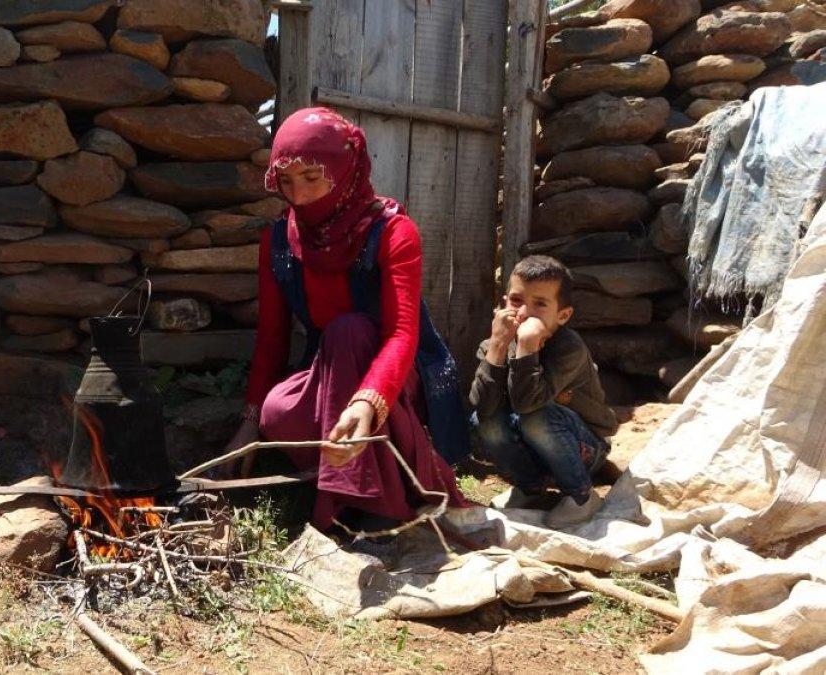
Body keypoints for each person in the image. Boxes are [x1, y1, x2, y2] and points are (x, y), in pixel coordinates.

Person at [220, 107, 470, 544]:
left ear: (346, 167)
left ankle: (368, 506)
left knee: (349, 329)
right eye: (287, 182)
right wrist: (249, 419)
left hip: (398, 379)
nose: (298, 196)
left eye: (311, 178)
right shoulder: (279, 241)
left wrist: (365, 404)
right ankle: (365, 482)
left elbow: (401, 334)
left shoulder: (393, 232)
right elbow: (272, 338)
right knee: (278, 410)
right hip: (329, 368)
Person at [469, 255, 620, 529]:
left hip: (584, 446)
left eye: (540, 304)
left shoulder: (568, 348)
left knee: (534, 416)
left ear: (563, 315)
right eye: (516, 300)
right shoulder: (495, 343)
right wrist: (498, 349)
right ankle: (530, 489)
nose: (524, 312)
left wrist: (527, 346)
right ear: (504, 302)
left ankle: (581, 496)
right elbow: (483, 408)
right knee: (484, 422)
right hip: (534, 444)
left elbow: (529, 405)